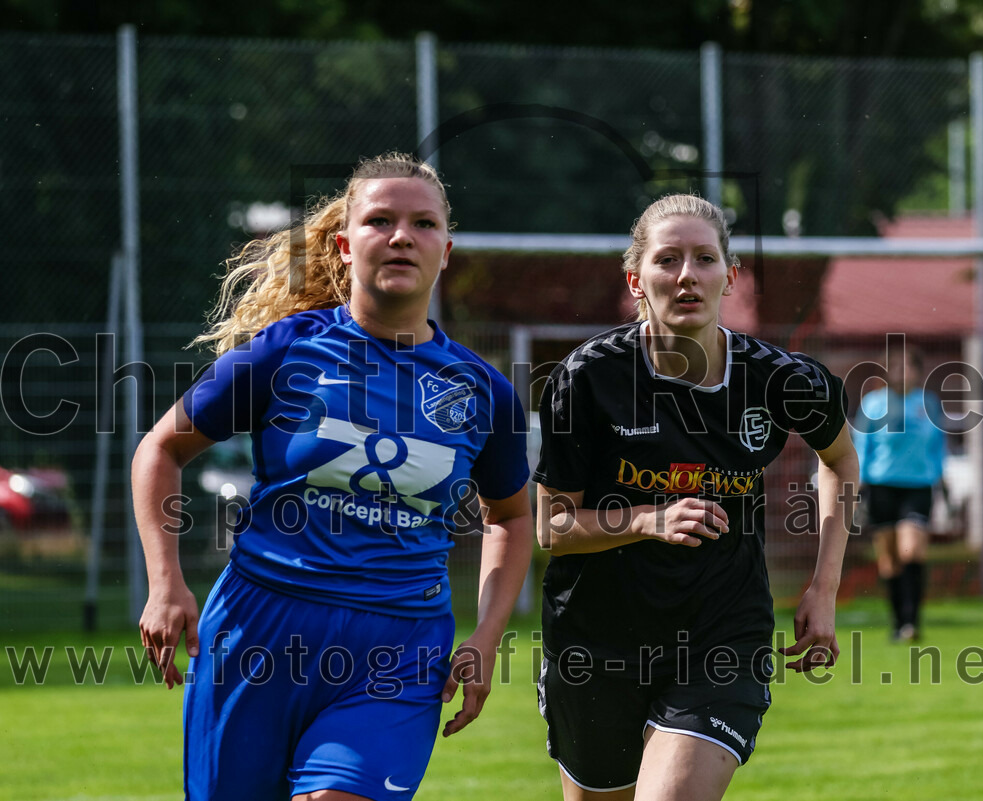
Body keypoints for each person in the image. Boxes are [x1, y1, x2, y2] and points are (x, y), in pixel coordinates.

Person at [132, 152, 533, 801]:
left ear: (447, 249)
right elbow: (160, 449)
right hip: (257, 632)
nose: (402, 235)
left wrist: (487, 634)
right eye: (381, 220)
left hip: (400, 647)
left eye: (423, 223)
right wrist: (164, 581)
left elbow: (511, 516)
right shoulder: (286, 350)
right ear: (346, 245)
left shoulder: (483, 390)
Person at [533, 194, 859, 801]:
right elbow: (552, 528)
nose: (687, 275)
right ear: (636, 278)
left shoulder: (782, 380)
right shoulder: (588, 379)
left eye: (705, 259)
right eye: (667, 260)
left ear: (730, 276)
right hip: (597, 640)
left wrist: (825, 586)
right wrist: (646, 519)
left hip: (722, 633)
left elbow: (839, 459)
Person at [853, 346, 945, 642]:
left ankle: (912, 622)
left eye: (909, 367)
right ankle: (898, 623)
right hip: (881, 486)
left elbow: (938, 445)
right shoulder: (874, 404)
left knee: (912, 550)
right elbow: (861, 444)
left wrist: (941, 477)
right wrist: (857, 485)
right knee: (890, 560)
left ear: (918, 371)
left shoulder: (928, 403)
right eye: (897, 367)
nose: (903, 372)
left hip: (918, 486)